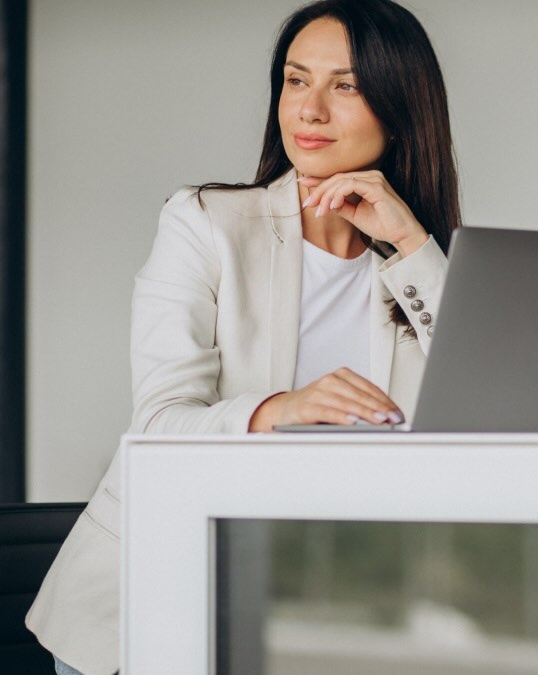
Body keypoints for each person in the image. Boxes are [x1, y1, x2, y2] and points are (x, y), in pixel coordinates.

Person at [26, 1, 461, 672]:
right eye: (296, 80)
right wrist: (281, 410)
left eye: (345, 85)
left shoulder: (415, 272)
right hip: (159, 599)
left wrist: (411, 242)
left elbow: (489, 415)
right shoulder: (204, 223)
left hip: (320, 606)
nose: (309, 109)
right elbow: (159, 426)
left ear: (401, 109)